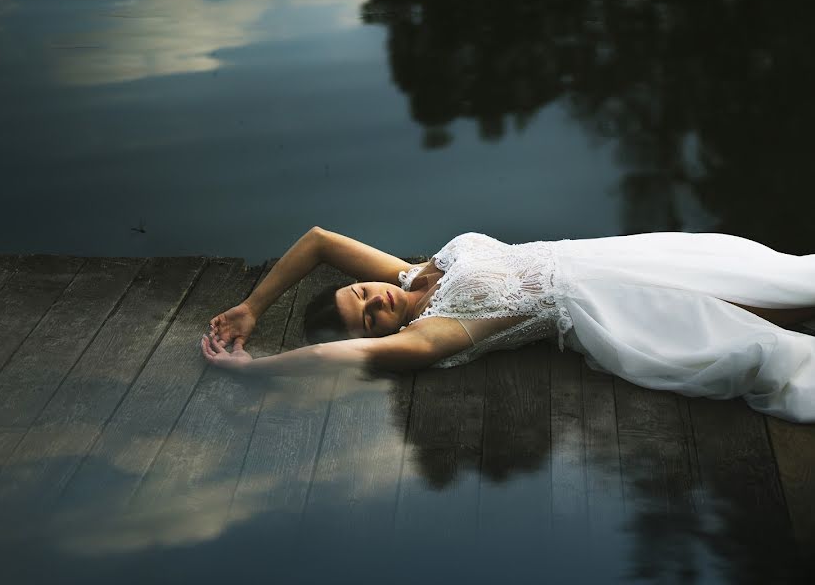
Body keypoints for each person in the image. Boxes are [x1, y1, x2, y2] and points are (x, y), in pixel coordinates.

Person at [202, 227, 815, 423]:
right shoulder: (436, 333)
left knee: (783, 278)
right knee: (764, 319)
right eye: (368, 318)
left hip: (610, 254)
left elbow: (318, 241)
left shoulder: (414, 275)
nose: (376, 300)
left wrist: (254, 307)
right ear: (378, 336)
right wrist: (256, 371)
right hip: (613, 301)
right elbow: (331, 359)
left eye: (362, 293)